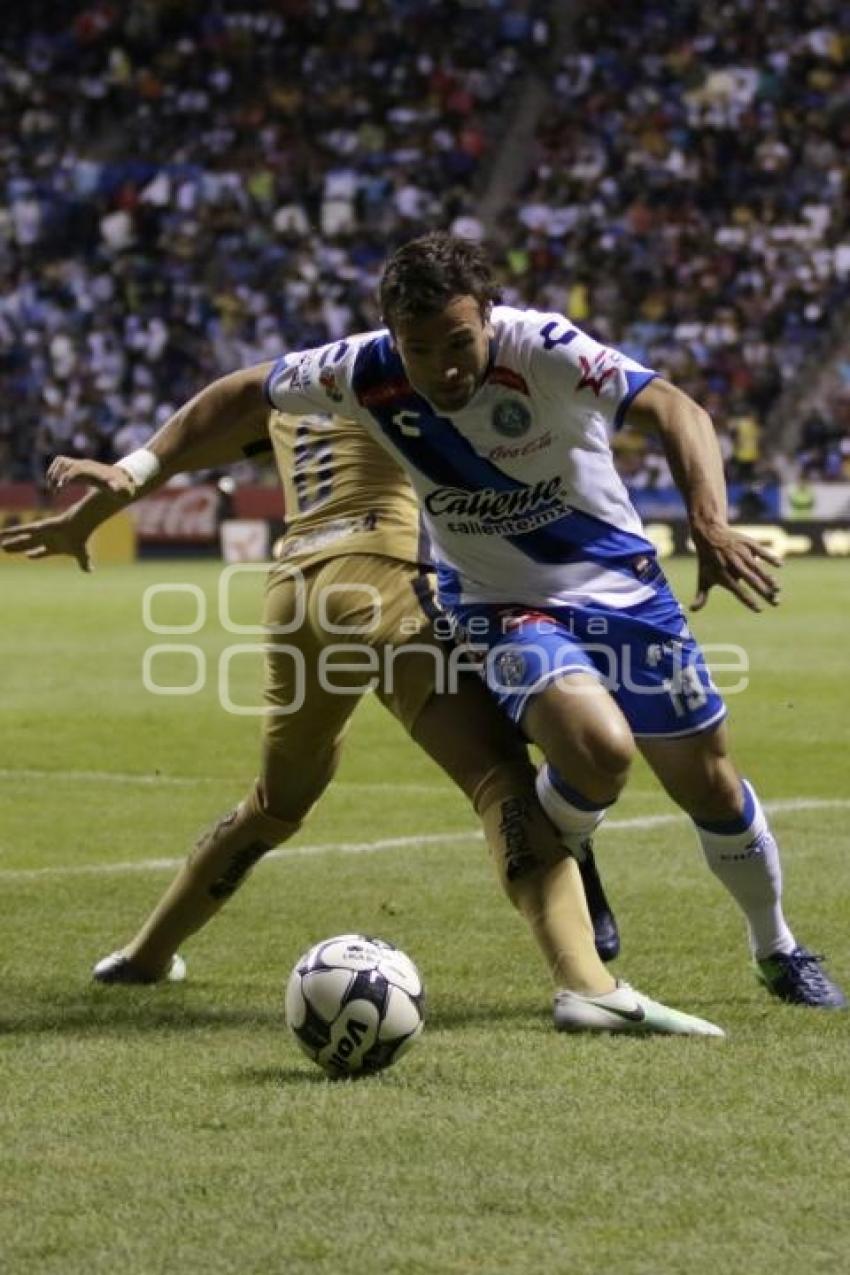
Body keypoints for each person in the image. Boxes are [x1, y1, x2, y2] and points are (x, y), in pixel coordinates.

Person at [17, 229, 843, 1010]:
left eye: (458, 344)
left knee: (709, 784)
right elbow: (240, 395)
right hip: (492, 601)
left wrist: (708, 519)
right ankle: (580, 940)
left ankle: (776, 946)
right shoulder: (361, 371)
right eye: (420, 350)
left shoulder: (546, 347)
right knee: (586, 753)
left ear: (489, 316)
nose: (443, 370)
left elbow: (677, 408)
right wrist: (128, 477)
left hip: (617, 584)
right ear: (390, 335)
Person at [1, 407, 723, 1037]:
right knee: (499, 775)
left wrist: (102, 501)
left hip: (296, 594)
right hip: (382, 577)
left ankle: (145, 956)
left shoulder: (290, 394)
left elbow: (201, 429)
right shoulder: (399, 377)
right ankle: (588, 986)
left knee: (276, 803)